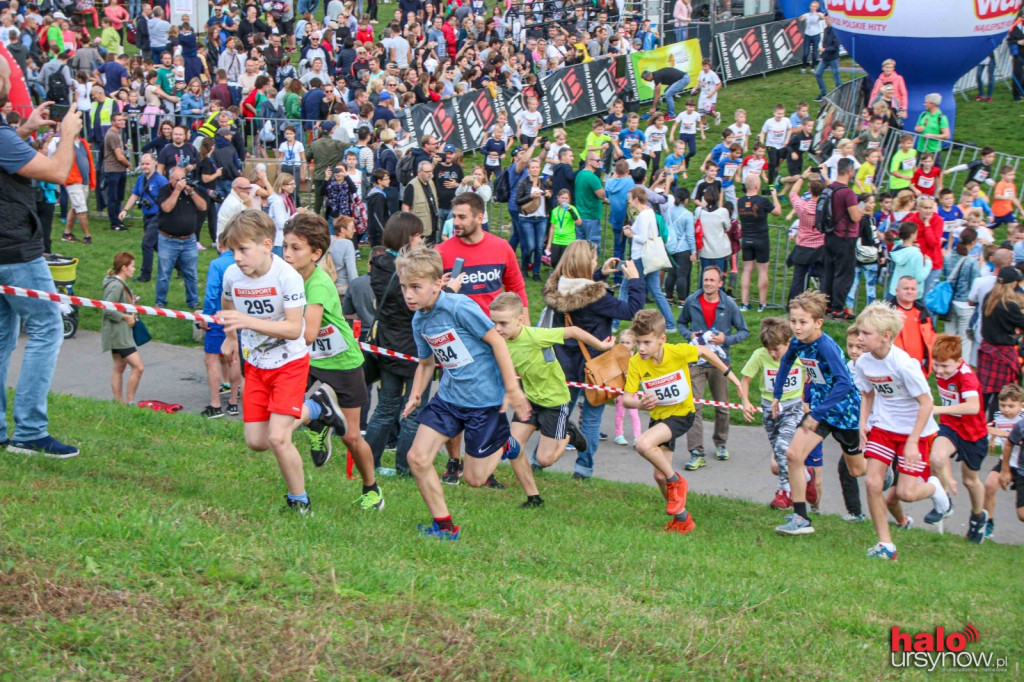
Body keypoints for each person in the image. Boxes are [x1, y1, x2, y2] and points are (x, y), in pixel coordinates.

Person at [218, 209, 348, 515]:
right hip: (256, 364)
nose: (237, 257)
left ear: (266, 245)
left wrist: (246, 320)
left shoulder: (286, 276)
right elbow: (227, 303)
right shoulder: (231, 275)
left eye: (243, 249)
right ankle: (317, 407)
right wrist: (229, 337)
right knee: (256, 441)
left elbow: (295, 330)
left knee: (278, 437)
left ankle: (299, 501)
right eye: (233, 250)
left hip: (289, 363)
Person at [399, 246, 529, 540]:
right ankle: (445, 528)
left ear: (437, 283)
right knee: (418, 458)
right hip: (449, 399)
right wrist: (416, 394)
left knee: (475, 479)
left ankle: (504, 443)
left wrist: (512, 388)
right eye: (405, 286)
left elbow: (497, 342)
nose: (408, 294)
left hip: (484, 402)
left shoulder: (460, 307)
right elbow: (426, 363)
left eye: (415, 287)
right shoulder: (420, 320)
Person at [0, 83, 83, 458]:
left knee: (3, 335)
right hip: (14, 249)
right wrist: (67, 135)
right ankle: (30, 431)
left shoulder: (5, 136)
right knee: (48, 327)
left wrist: (23, 131)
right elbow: (59, 170)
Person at [282, 213, 382, 510]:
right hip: (310, 362)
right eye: (285, 246)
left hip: (343, 363)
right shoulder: (286, 275)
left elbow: (310, 333)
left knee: (351, 437)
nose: (287, 254)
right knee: (287, 414)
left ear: (316, 253)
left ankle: (372, 488)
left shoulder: (319, 285)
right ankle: (318, 418)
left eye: (296, 248)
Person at [542, 241, 646, 479]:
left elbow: (579, 293)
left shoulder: (557, 290)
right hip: (595, 367)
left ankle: (541, 459)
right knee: (590, 418)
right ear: (584, 263)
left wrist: (599, 275)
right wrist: (635, 281)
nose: (596, 262)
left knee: (559, 414)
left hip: (564, 363)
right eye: (593, 260)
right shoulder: (598, 298)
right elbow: (632, 310)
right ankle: (584, 468)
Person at [853, 302, 947, 561]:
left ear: (886, 336)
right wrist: (864, 422)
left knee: (905, 492)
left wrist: (913, 442)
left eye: (866, 333)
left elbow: (927, 403)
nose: (859, 338)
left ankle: (935, 487)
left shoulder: (904, 365)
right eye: (859, 332)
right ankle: (885, 545)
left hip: (914, 430)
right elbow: (868, 394)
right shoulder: (864, 364)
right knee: (872, 482)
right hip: (884, 426)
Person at [773, 291, 865, 537]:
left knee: (857, 469)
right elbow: (785, 363)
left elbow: (845, 383)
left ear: (818, 323)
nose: (797, 327)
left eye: (803, 322)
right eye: (793, 321)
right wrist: (776, 395)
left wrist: (818, 411)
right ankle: (801, 517)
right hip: (821, 411)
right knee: (793, 454)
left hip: (845, 411)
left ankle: (883, 468)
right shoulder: (796, 342)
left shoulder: (826, 347)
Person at [488, 292, 595, 502]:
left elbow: (573, 331)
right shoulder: (500, 341)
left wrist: (603, 346)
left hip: (554, 403)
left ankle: (569, 434)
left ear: (520, 320)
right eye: (494, 323)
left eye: (503, 323)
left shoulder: (536, 336)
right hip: (529, 400)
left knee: (544, 460)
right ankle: (533, 497)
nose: (498, 328)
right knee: (513, 447)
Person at [364, 213, 426, 476]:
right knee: (413, 409)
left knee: (386, 407)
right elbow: (416, 305)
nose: (422, 241)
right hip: (412, 349)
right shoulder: (404, 270)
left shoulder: (378, 264)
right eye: (420, 236)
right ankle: (404, 468)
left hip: (388, 345)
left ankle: (370, 463)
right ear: (410, 238)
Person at [677, 265, 749, 469]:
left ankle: (721, 443)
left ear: (720, 283)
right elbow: (681, 323)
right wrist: (689, 335)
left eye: (712, 280)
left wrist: (727, 339)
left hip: (720, 363)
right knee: (694, 406)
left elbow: (744, 331)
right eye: (705, 279)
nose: (708, 283)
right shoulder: (692, 301)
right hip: (696, 361)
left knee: (722, 406)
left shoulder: (729, 305)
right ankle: (696, 451)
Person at [928, 334, 989, 542]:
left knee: (970, 481)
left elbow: (974, 407)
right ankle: (945, 502)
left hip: (973, 433)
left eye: (945, 366)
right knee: (936, 458)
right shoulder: (939, 370)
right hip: (951, 426)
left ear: (959, 361)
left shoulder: (966, 376)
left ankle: (978, 518)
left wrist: (938, 409)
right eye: (937, 365)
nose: (940, 371)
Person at [741, 317, 805, 510]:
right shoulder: (760, 356)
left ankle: (784, 492)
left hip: (793, 408)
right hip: (770, 410)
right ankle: (805, 476)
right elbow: (745, 381)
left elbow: (812, 375)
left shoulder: (799, 354)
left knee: (782, 448)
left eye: (777, 349)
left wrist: (806, 398)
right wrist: (745, 401)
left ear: (788, 342)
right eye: (769, 349)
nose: (773, 353)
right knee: (779, 459)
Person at [198, 234, 241, 419]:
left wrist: (205, 316)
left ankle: (215, 405)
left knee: (211, 360)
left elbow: (212, 291)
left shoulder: (217, 264)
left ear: (221, 244)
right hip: (239, 317)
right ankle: (233, 402)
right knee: (234, 358)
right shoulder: (242, 263)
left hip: (218, 315)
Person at [155, 167, 206, 310]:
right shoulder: (164, 191)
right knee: (164, 273)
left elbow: (203, 207)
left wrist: (192, 192)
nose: (181, 182)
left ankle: (193, 301)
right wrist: (177, 191)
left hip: (189, 240)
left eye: (182, 179)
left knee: (191, 273)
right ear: (170, 179)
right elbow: (166, 208)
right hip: (168, 239)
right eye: (177, 180)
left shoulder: (190, 190)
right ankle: (160, 301)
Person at [978, 266, 1024, 419]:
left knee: (984, 392)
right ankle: (995, 424)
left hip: (987, 350)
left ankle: (976, 421)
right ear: (1012, 284)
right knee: (1001, 394)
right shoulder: (1009, 306)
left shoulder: (988, 297)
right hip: (1003, 353)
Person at [819, 158, 862, 319]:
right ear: (850, 171)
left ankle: (828, 305)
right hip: (845, 237)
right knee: (844, 274)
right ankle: (838, 307)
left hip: (830, 235)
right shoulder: (848, 192)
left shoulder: (829, 188)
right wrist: (863, 210)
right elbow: (855, 216)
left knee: (829, 271)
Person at [101, 252, 144, 405]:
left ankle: (118, 403)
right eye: (132, 266)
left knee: (119, 367)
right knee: (138, 367)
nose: (134, 269)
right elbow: (107, 309)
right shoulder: (116, 286)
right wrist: (126, 317)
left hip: (118, 333)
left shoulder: (117, 284)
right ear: (124, 267)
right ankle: (130, 401)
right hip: (119, 335)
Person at [119, 154, 169, 283]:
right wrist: (125, 210)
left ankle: (145, 275)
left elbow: (169, 197)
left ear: (154, 164)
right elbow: (134, 195)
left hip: (158, 217)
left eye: (147, 164)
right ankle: (180, 267)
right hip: (147, 217)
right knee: (158, 247)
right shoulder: (140, 179)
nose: (144, 167)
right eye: (142, 164)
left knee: (146, 243)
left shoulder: (161, 180)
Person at [983, 384, 1024, 539]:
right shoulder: (998, 416)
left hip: (1021, 464)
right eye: (1003, 405)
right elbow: (989, 428)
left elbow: (1012, 437)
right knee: (989, 485)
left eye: (1011, 406)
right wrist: (993, 438)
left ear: (1021, 405)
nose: (1007, 410)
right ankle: (988, 523)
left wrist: (1002, 434)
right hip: (1005, 462)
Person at [737, 176, 781, 311]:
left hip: (746, 239)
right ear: (757, 186)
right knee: (762, 271)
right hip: (761, 239)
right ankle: (762, 303)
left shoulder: (740, 201)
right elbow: (778, 212)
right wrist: (775, 197)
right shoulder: (763, 201)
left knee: (746, 270)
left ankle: (744, 302)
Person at [787, 169, 826, 301]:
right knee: (823, 277)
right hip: (820, 246)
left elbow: (792, 193)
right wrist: (825, 175)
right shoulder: (826, 208)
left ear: (810, 191)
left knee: (798, 277)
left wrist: (802, 177)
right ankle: (824, 305)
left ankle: (793, 303)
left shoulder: (803, 207)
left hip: (803, 245)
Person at [514, 157, 551, 282]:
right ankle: (524, 268)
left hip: (541, 218)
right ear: (528, 169)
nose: (535, 169)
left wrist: (549, 196)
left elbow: (549, 201)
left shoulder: (544, 183)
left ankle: (536, 272)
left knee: (539, 247)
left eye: (537, 167)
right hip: (527, 218)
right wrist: (530, 196)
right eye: (533, 167)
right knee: (530, 247)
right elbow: (518, 201)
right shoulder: (524, 183)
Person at [102, 112, 132, 232]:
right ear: (112, 122)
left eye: (123, 120)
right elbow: (119, 156)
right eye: (119, 120)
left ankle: (118, 220)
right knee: (113, 198)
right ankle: (114, 223)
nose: (122, 122)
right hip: (113, 169)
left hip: (119, 169)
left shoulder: (117, 134)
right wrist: (129, 164)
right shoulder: (112, 135)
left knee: (119, 197)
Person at [402, 160, 440, 244]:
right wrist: (410, 226)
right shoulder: (412, 186)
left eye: (431, 171)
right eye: (427, 172)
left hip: (432, 226)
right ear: (419, 172)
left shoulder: (431, 182)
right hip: (420, 229)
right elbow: (405, 206)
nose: (430, 173)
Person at [574, 152, 607, 248]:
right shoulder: (593, 178)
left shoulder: (580, 174)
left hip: (580, 216)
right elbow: (602, 195)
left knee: (579, 247)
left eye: (600, 160)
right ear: (589, 161)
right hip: (591, 217)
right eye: (597, 160)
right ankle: (591, 263)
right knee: (592, 247)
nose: (599, 162)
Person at [813, 14, 841, 102]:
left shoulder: (836, 31)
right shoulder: (826, 30)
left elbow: (836, 47)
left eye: (828, 19)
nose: (826, 20)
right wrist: (822, 54)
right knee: (818, 74)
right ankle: (823, 93)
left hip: (833, 58)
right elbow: (825, 43)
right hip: (825, 57)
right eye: (825, 19)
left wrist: (825, 49)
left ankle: (840, 94)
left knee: (836, 77)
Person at [913, 94, 950, 158]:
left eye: (926, 102)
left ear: (932, 104)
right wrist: (917, 129)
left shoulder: (941, 117)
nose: (924, 104)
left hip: (933, 151)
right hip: (920, 149)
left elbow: (946, 135)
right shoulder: (923, 114)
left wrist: (932, 136)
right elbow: (916, 127)